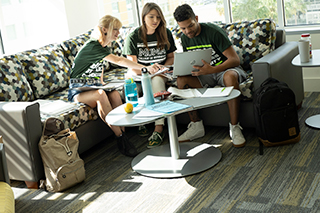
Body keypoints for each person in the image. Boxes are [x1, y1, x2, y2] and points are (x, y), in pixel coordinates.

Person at [69, 15, 160, 157]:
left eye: (119, 29)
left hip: (91, 85)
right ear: (105, 29)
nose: (118, 33)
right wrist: (145, 68)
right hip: (78, 90)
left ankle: (122, 133)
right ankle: (121, 138)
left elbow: (97, 66)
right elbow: (119, 60)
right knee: (100, 94)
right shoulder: (93, 45)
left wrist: (102, 81)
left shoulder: (103, 46)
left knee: (115, 94)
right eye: (115, 29)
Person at [173, 4, 247, 147]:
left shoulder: (213, 32)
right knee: (181, 79)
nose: (187, 31)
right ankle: (196, 125)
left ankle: (235, 127)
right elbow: (193, 61)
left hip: (226, 70)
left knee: (229, 77)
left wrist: (212, 70)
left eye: (190, 26)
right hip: (205, 73)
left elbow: (234, 60)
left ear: (196, 18)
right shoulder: (185, 38)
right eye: (183, 28)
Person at [123, 3, 177, 148]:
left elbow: (171, 57)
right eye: (151, 17)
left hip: (161, 73)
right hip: (140, 74)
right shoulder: (134, 36)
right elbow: (132, 66)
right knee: (137, 87)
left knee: (157, 80)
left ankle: (158, 128)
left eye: (158, 17)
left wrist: (163, 67)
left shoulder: (166, 33)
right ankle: (144, 121)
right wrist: (148, 69)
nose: (155, 21)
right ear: (143, 17)